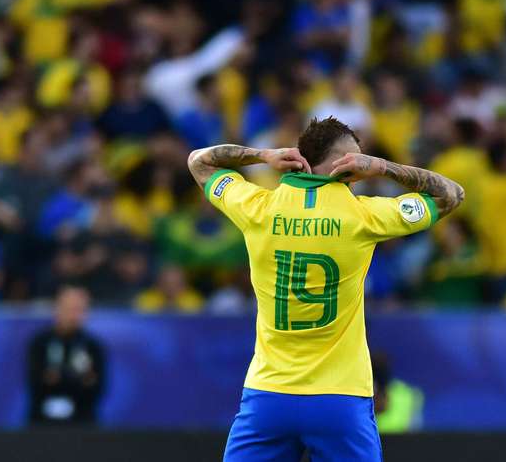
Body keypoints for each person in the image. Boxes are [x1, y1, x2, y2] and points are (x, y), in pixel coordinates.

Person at [187, 117, 463, 461]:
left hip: (269, 394)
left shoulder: (257, 207)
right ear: (343, 167)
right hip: (341, 399)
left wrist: (263, 155)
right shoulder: (364, 216)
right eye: (354, 159)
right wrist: (381, 167)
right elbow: (451, 195)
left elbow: (199, 161)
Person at [27, 285, 105, 424]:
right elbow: (35, 383)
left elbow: (97, 388)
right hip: (42, 424)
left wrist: (56, 378)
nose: (74, 315)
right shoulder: (40, 343)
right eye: (69, 308)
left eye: (79, 309)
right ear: (57, 308)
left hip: (82, 423)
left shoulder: (93, 346)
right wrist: (78, 379)